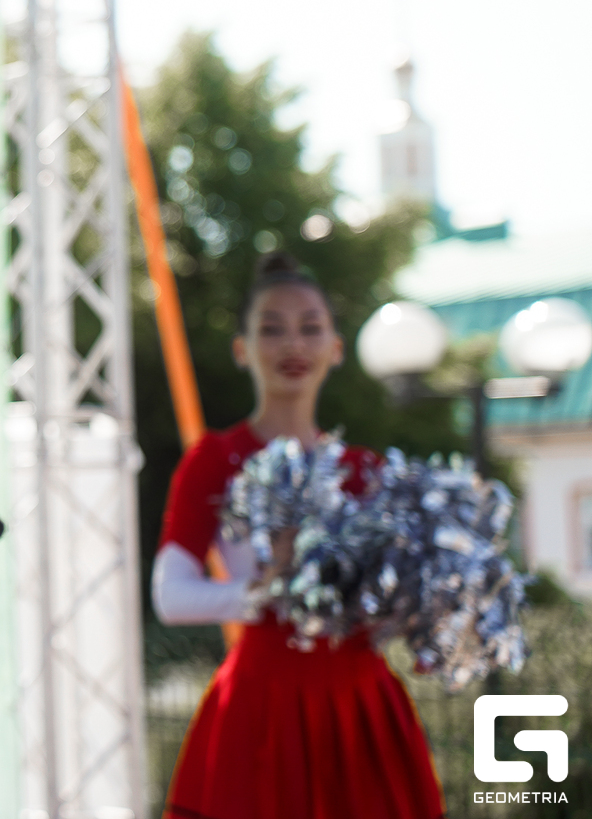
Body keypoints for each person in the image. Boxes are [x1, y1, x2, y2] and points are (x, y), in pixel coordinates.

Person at [152, 251, 444, 819]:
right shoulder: (216, 459)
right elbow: (171, 595)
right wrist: (269, 590)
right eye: (272, 328)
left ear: (336, 349)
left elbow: (392, 608)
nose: (293, 344)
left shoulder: (367, 470)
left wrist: (424, 607)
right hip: (263, 705)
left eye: (310, 328)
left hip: (361, 708)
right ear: (242, 349)